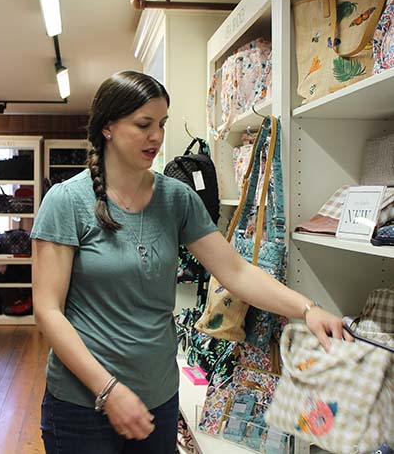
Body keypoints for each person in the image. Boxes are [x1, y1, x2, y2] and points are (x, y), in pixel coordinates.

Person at [31, 70, 353, 454]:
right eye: (144, 124)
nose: (157, 136)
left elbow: (235, 272)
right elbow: (48, 311)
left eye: (162, 124)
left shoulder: (177, 198)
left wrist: (308, 309)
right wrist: (109, 390)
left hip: (157, 399)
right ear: (108, 128)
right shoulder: (66, 202)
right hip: (82, 404)